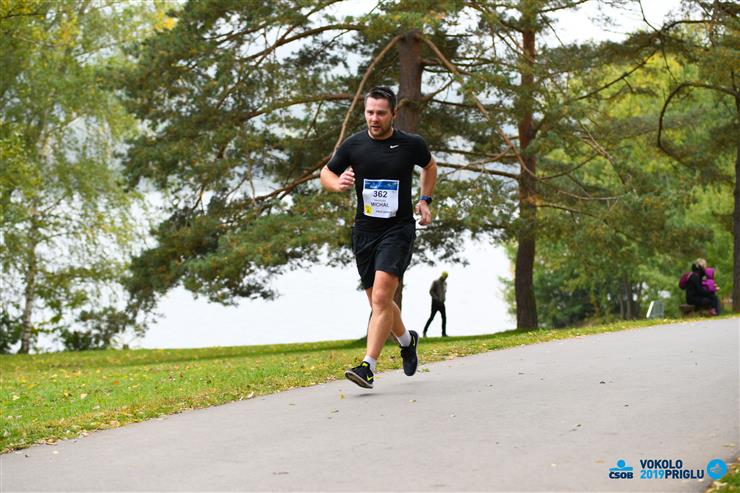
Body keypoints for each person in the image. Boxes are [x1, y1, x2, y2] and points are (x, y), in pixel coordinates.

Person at [320, 86, 437, 389]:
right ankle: (407, 341)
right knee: (379, 302)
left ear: (393, 114)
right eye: (370, 112)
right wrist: (337, 183)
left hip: (397, 230)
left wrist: (425, 200)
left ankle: (367, 367)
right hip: (364, 232)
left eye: (381, 113)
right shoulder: (354, 145)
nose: (374, 118)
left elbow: (429, 166)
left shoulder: (411, 144)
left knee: (383, 298)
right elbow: (326, 174)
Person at [423, 271, 448, 337]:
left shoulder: (445, 283)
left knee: (444, 318)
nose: (445, 278)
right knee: (431, 318)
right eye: (444, 276)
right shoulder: (435, 282)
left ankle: (444, 333)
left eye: (446, 277)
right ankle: (424, 331)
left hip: (442, 303)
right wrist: (436, 298)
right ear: (442, 275)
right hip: (435, 303)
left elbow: (444, 292)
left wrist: (443, 299)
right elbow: (431, 291)